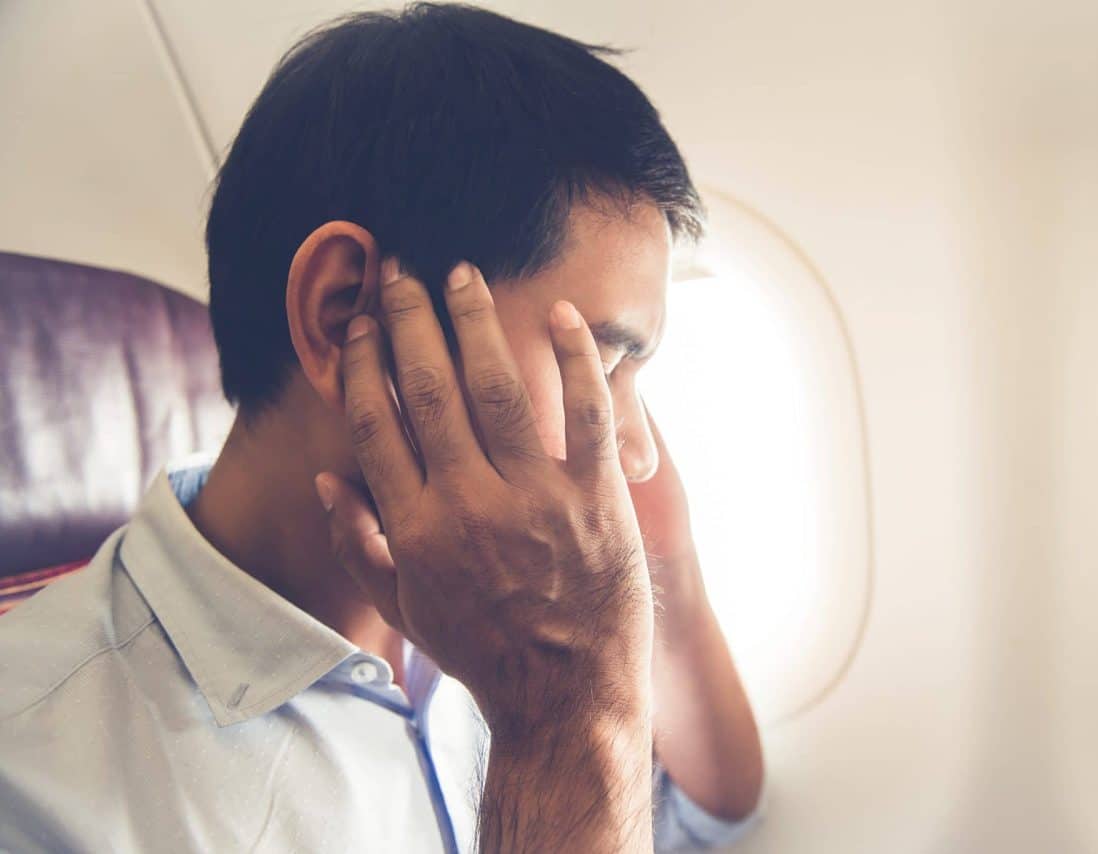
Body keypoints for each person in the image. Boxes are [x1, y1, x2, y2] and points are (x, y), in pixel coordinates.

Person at [0, 4, 764, 852]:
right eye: (598, 359)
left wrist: (669, 570)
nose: (636, 445)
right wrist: (560, 708)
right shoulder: (34, 781)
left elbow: (708, 816)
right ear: (342, 314)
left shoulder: (490, 596)